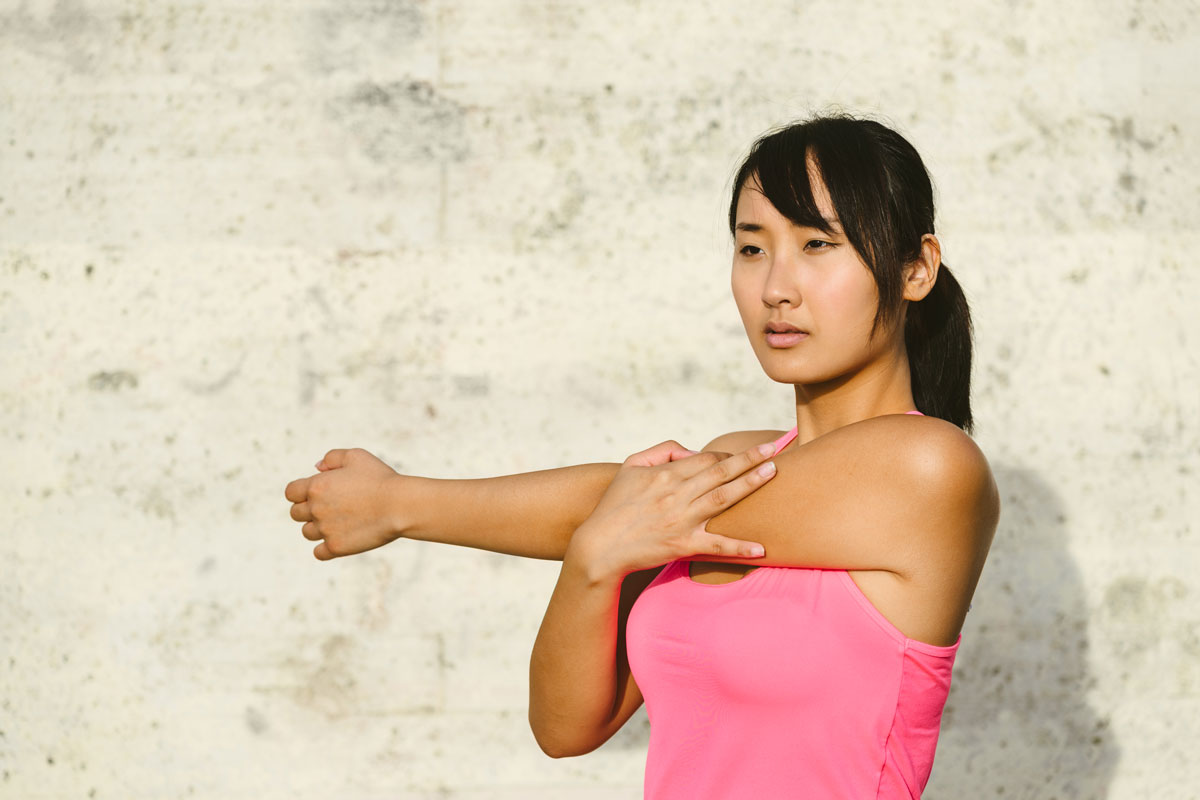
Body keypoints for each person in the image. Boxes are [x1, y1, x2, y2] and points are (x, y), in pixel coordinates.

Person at [284, 113, 1000, 799]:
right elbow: (566, 728)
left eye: (817, 245)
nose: (776, 289)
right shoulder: (726, 460)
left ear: (916, 269)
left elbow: (637, 501)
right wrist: (593, 558)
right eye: (753, 248)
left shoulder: (930, 467)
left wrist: (401, 503)